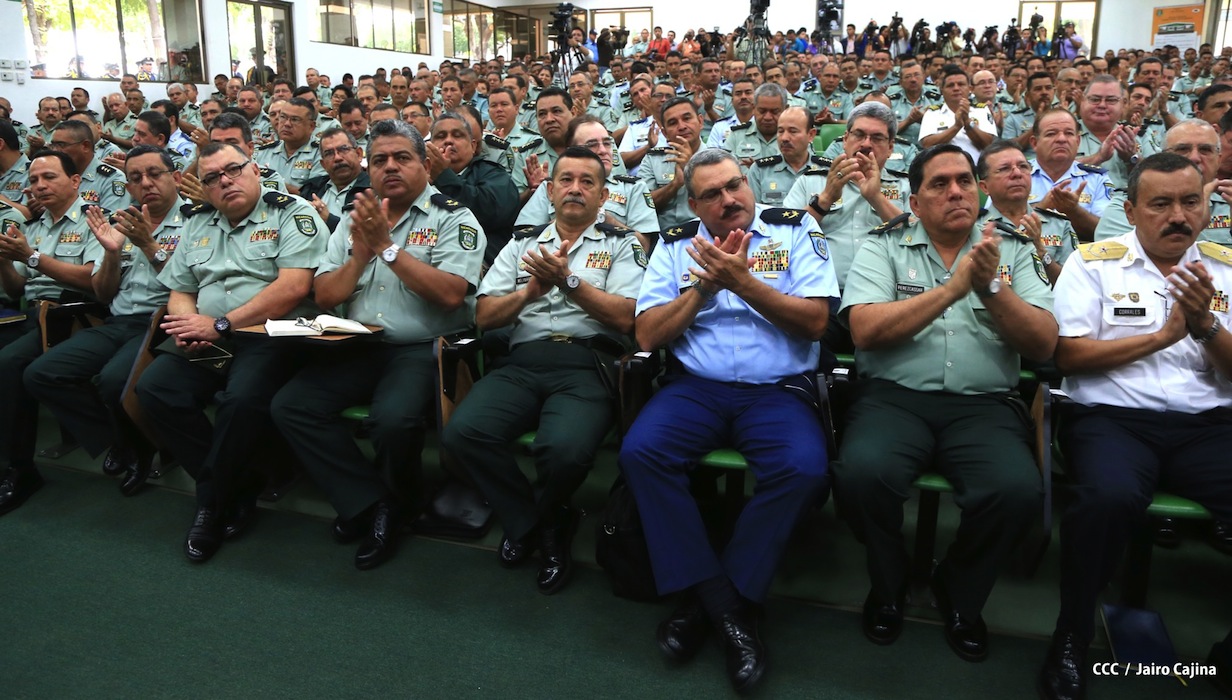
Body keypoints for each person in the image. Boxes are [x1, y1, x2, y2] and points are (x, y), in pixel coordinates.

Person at [619, 145, 833, 693]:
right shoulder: (675, 246)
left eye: (735, 185)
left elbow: (814, 322)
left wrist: (743, 282)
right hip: (697, 388)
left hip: (777, 391)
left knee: (804, 468)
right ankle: (729, 608)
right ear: (694, 203)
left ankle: (707, 603)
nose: (728, 199)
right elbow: (647, 335)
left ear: (750, 185)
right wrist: (704, 288)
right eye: (711, 194)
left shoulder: (795, 231)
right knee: (643, 452)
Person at [836, 144, 1057, 662]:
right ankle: (888, 587)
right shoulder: (882, 245)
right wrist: (955, 288)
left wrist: (991, 290)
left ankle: (957, 589)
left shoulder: (1015, 249)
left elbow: (1044, 344)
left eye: (964, 180)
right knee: (861, 475)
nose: (956, 191)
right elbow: (865, 330)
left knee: (1016, 489)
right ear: (914, 203)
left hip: (983, 405)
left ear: (980, 190)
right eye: (939, 184)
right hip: (895, 399)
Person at [1038, 152, 1232, 700]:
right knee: (1105, 498)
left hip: (1207, 423)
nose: (1178, 216)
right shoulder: (1093, 262)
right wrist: (1164, 337)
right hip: (1113, 420)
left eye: (1190, 201)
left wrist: (1206, 326)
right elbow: (1069, 357)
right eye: (1161, 204)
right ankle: (1070, 634)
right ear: (1131, 209)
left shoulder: (1226, 268)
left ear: (1207, 204)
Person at [271, 120, 485, 570]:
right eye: (380, 160)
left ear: (426, 165)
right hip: (358, 342)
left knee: (392, 421)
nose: (390, 167)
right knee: (292, 405)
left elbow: (450, 294)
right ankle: (371, 502)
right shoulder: (355, 221)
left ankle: (399, 504)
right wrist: (361, 254)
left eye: (402, 158)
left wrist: (387, 248)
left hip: (421, 346)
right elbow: (327, 295)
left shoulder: (454, 217)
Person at [440, 147, 646, 596]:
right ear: (549, 191)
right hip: (523, 360)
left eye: (586, 182)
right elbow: (486, 316)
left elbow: (630, 319)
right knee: (464, 433)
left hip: (587, 363)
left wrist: (568, 282)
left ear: (604, 194)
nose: (575, 189)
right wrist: (530, 293)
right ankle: (542, 520)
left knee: (564, 451)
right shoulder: (521, 244)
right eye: (566, 180)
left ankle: (540, 523)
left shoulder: (622, 244)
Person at [133, 142, 327, 563]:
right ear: (203, 188)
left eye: (233, 170)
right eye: (210, 178)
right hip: (210, 337)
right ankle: (238, 487)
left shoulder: (291, 213)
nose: (224, 181)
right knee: (156, 388)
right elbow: (180, 290)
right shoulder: (198, 223)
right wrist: (188, 325)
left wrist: (220, 324)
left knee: (240, 400)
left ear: (255, 169)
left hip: (270, 336)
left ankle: (211, 503)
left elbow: (294, 288)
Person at [24, 146, 185, 496]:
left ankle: (140, 452)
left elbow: (191, 287)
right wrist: (111, 254)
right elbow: (103, 291)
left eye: (154, 174)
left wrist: (148, 245)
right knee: (41, 374)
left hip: (166, 321)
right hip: (118, 319)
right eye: (136, 178)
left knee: (113, 380)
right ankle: (121, 440)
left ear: (176, 178)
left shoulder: (195, 220)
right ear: (127, 187)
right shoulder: (118, 224)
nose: (146, 183)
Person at [0, 150, 102, 514]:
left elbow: (92, 282)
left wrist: (31, 257)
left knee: (11, 364)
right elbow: (16, 289)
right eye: (33, 180)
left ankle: (20, 469)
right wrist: (4, 260)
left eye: (49, 178)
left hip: (72, 315)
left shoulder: (93, 220)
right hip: (31, 314)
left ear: (75, 181)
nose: (39, 186)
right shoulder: (35, 226)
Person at [517, 115, 659, 250]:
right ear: (572, 152)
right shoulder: (550, 187)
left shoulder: (633, 188)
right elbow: (523, 241)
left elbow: (644, 246)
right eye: (592, 145)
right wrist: (569, 220)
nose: (603, 151)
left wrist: (604, 218)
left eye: (607, 143)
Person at [1096, 119, 1230, 244]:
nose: (1194, 158)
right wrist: (1199, 218)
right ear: (1163, 156)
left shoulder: (1227, 204)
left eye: (1205, 150)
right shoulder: (1130, 205)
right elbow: (1115, 262)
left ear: (1218, 160)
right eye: (1183, 149)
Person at [978, 141, 1077, 286]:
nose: (1017, 173)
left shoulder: (1059, 224)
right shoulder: (973, 228)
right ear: (985, 187)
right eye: (1005, 169)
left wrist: (1041, 251)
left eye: (1023, 166)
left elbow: (1074, 285)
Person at [427, 111, 518, 264]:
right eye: (441, 136)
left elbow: (488, 211)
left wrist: (443, 176)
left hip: (480, 265)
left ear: (473, 145)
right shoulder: (418, 179)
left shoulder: (493, 173)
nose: (448, 141)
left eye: (457, 135)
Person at [1029, 108, 1112, 241]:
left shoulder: (1096, 178)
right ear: (1034, 143)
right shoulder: (1016, 174)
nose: (1061, 139)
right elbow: (996, 223)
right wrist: (1040, 208)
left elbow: (1107, 233)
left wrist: (1074, 211)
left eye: (1068, 133)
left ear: (1078, 142)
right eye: (1051, 134)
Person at [642, 97, 704, 232]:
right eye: (673, 123)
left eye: (687, 118)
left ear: (700, 121)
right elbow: (642, 204)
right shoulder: (652, 159)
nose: (682, 126)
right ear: (665, 133)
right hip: (664, 237)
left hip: (708, 232)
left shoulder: (720, 159)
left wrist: (692, 171)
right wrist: (675, 184)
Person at [918, 67, 996, 163]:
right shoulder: (932, 113)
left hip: (975, 170)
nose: (956, 88)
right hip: (942, 168)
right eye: (950, 85)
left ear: (970, 88)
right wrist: (956, 127)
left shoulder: (982, 110)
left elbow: (988, 144)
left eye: (961, 84)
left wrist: (968, 123)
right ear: (942, 90)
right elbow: (927, 144)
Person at [300, 128, 369, 232]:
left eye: (344, 149)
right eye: (329, 153)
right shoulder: (311, 189)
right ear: (323, 165)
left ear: (359, 154)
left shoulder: (373, 189)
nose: (337, 158)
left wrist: (329, 220)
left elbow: (372, 235)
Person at [747, 106, 818, 207]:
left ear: (811, 135)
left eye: (793, 131)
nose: (784, 138)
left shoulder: (826, 171)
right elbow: (753, 214)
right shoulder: (759, 171)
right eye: (780, 131)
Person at [254, 97, 324, 194]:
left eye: (295, 120)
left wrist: (274, 184)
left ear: (311, 126)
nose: (286, 124)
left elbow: (314, 195)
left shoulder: (322, 152)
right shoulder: (263, 152)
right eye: (283, 117)